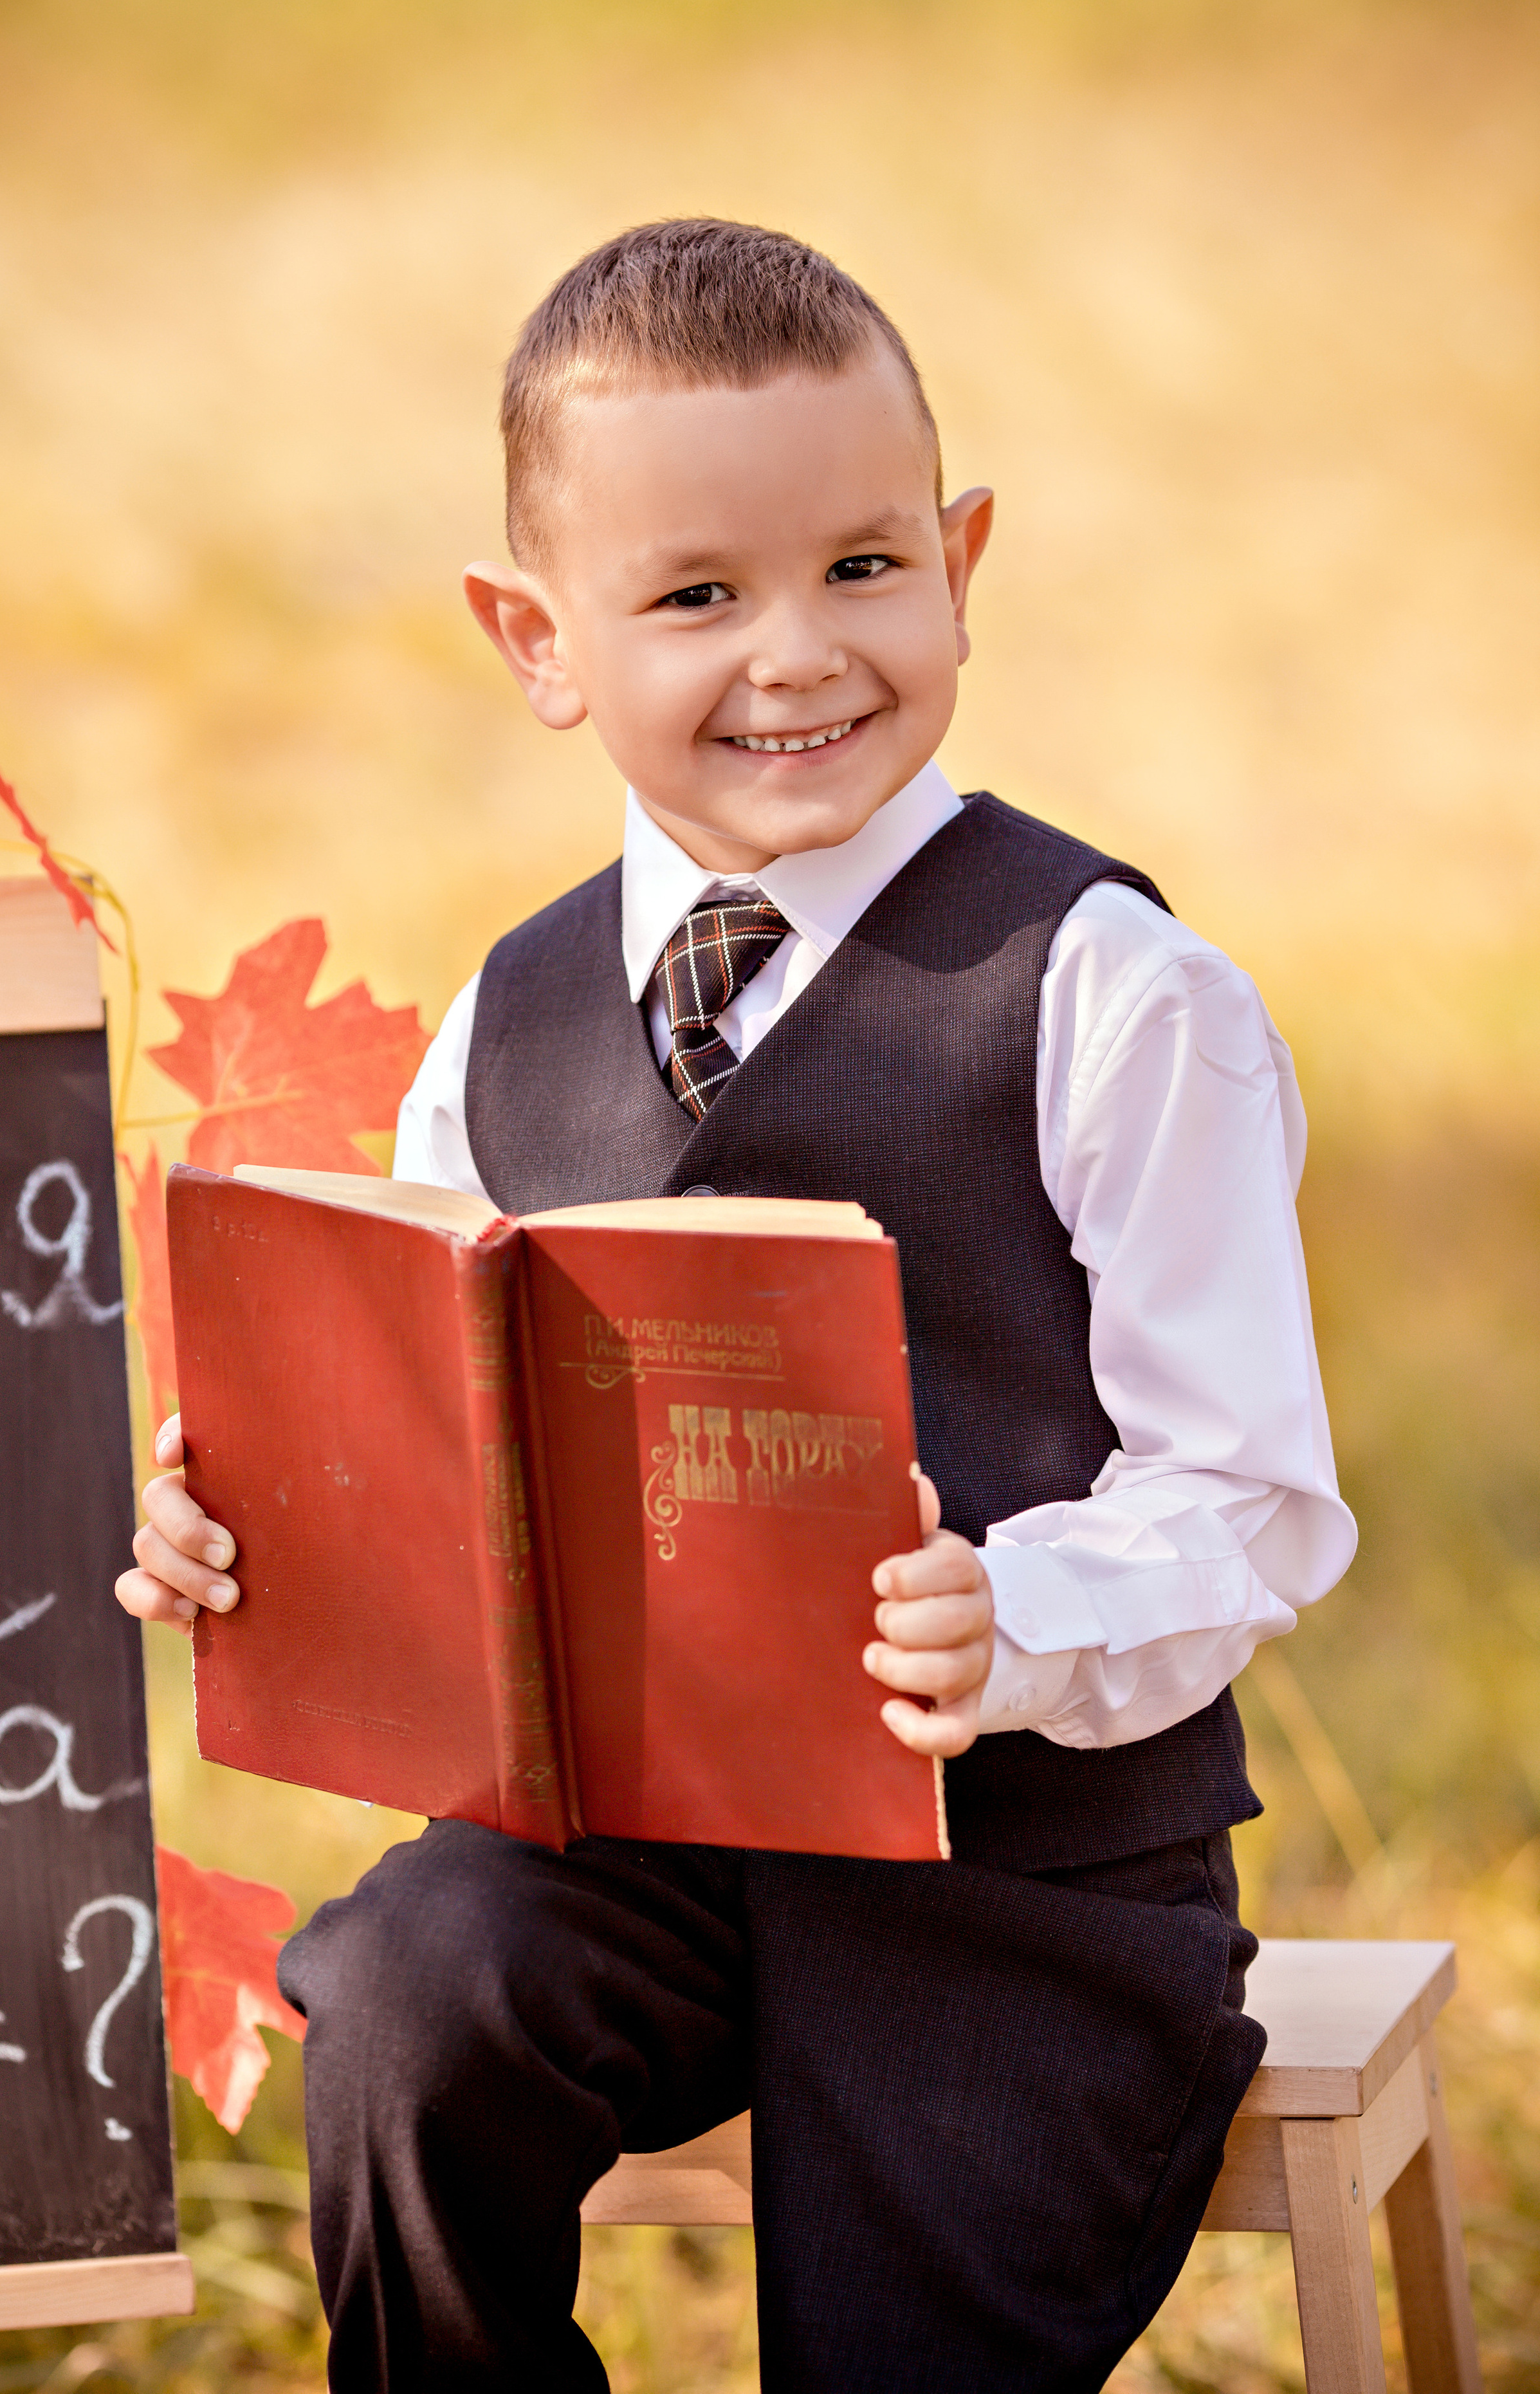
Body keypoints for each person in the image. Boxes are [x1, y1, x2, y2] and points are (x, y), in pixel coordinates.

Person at [118, 218, 1357, 2392]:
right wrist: (259, 1540)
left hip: (1023, 1888)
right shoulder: (498, 1030)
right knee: (413, 1992)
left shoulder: (1105, 990)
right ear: (540, 639)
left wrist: (1021, 1611)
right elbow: (441, 1459)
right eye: (697, 596)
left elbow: (1253, 1493)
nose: (800, 654)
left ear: (962, 560)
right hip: (643, 1874)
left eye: (866, 568)